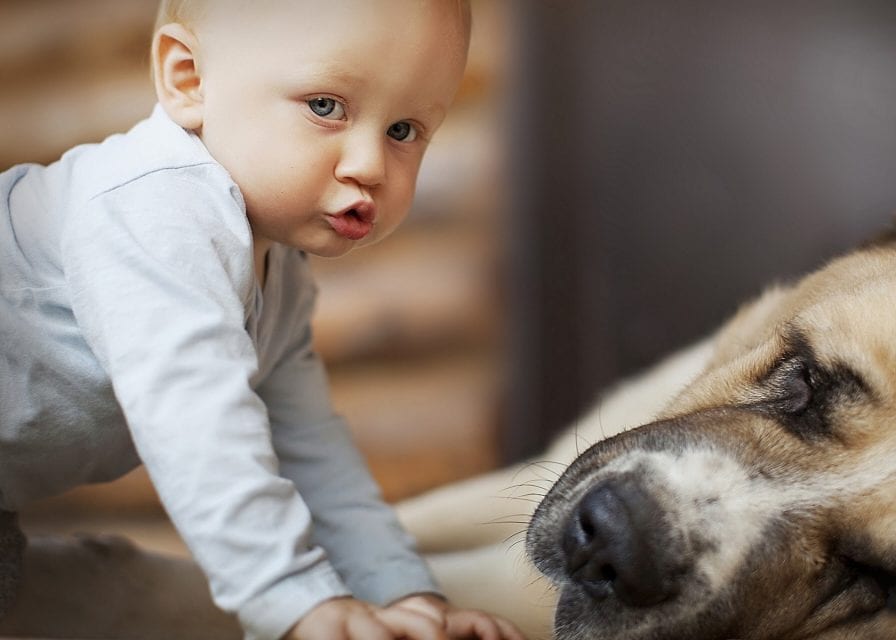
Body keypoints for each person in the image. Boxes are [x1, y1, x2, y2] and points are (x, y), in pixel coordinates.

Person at [0, 1, 525, 639]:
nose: (369, 164)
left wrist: (405, 596)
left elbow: (309, 448)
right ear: (188, 78)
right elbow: (196, 419)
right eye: (326, 106)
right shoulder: (155, 208)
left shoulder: (280, 275)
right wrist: (293, 600)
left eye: (405, 130)